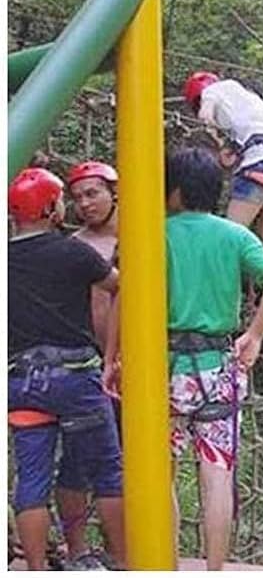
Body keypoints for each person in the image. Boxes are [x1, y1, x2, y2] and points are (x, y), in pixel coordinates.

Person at [164, 148, 263, 570]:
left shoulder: (155, 232)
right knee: (216, 474)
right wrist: (254, 334)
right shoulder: (233, 235)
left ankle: (166, 563)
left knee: (161, 472)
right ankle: (214, 569)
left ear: (173, 189)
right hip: (219, 367)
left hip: (163, 367)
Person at [8, 168, 125, 570]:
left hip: (21, 380)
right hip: (75, 376)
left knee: (32, 478)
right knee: (108, 470)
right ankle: (127, 562)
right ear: (50, 207)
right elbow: (119, 285)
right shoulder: (72, 252)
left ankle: (37, 569)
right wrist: (110, 356)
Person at [56, 160, 121, 564]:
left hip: (141, 363)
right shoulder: (74, 245)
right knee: (77, 461)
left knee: (130, 459)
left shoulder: (146, 235)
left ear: (114, 192)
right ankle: (77, 548)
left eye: (92, 193)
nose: (85, 204)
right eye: (77, 197)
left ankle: (125, 549)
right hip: (86, 366)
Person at [183, 71, 263, 270]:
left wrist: (213, 137)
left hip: (262, 164)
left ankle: (220, 291)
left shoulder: (212, 91)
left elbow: (205, 117)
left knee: (229, 235)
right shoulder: (259, 98)